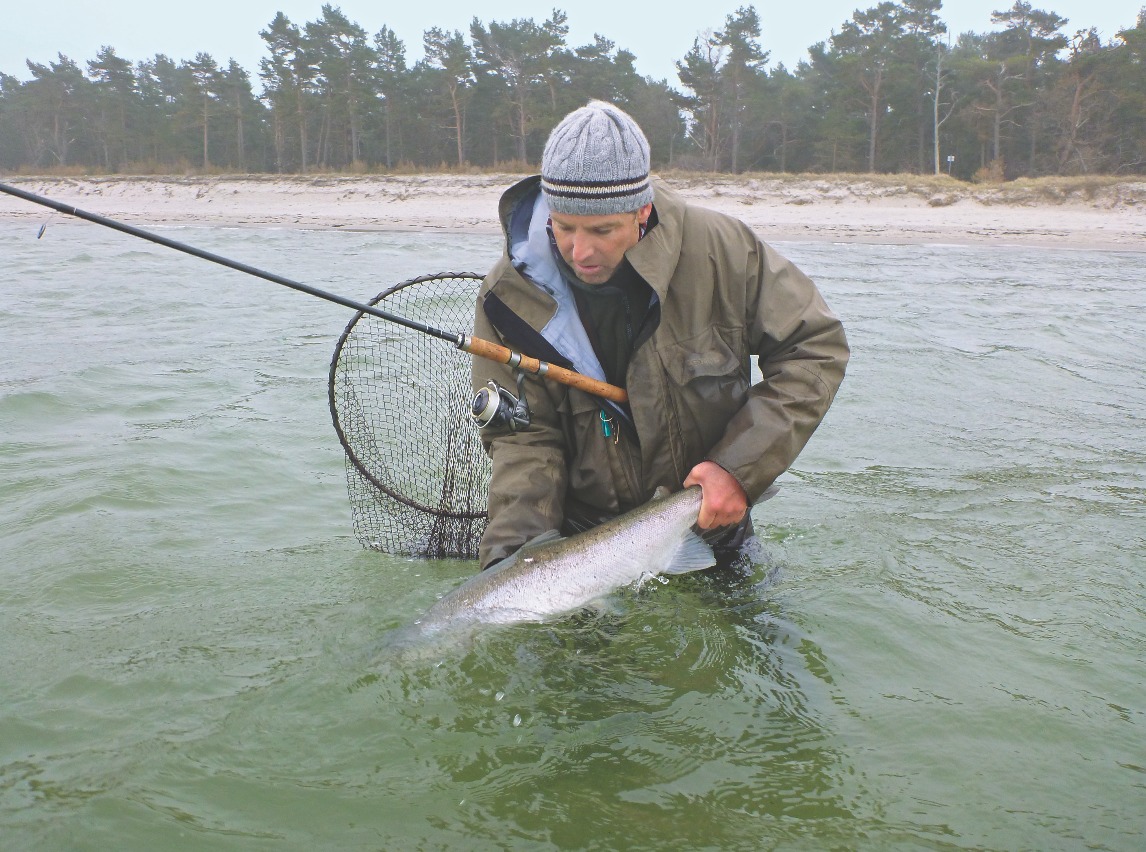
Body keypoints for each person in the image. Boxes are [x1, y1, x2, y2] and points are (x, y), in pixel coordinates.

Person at [471, 100, 849, 569]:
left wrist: (738, 469)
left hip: (711, 515)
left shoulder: (724, 252)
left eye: (602, 229)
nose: (579, 251)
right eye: (563, 226)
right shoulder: (510, 297)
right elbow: (525, 441)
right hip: (582, 539)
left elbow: (814, 347)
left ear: (641, 212)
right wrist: (509, 564)